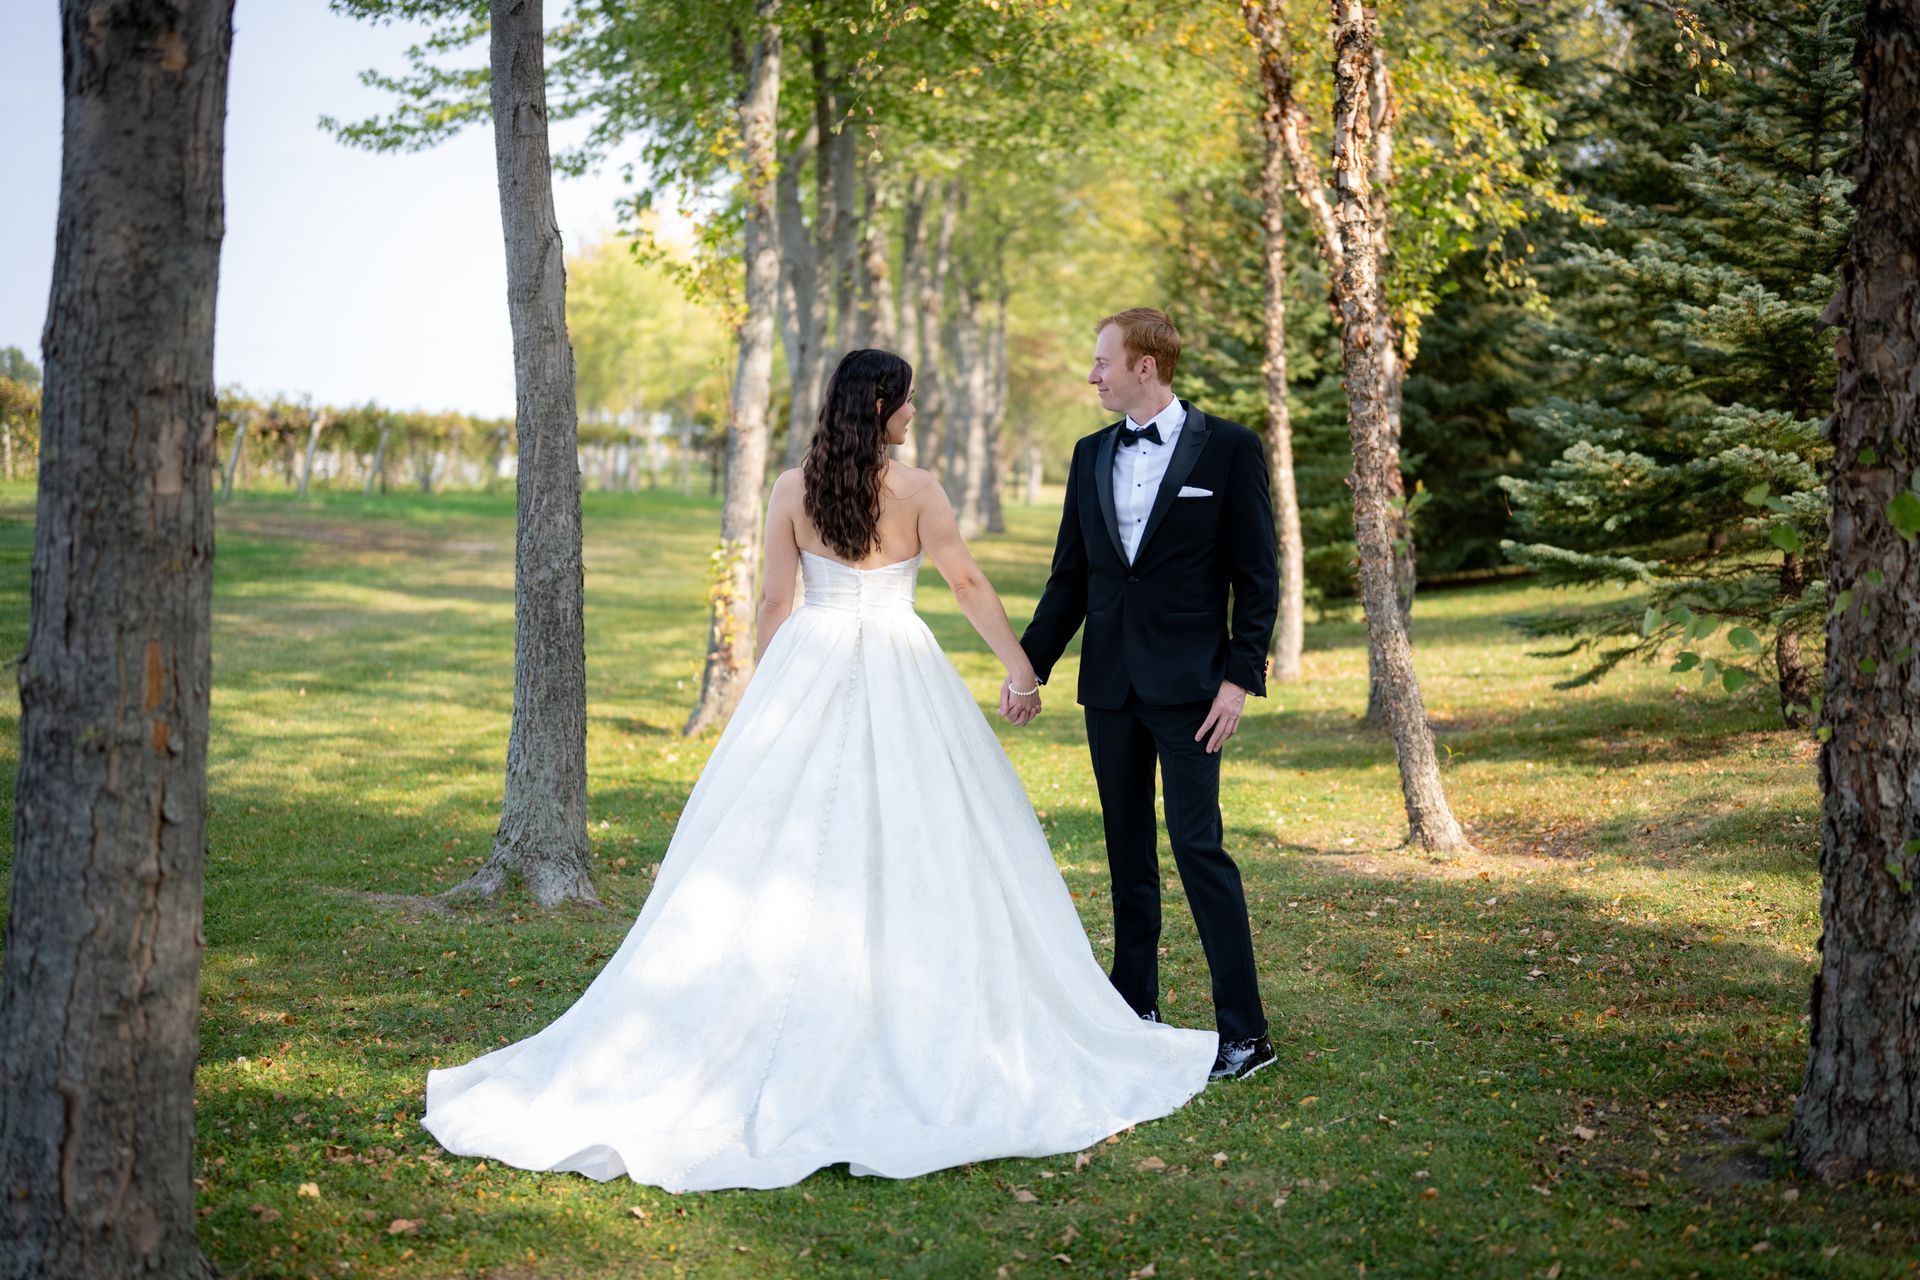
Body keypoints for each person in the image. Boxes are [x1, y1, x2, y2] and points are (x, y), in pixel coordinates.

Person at [420, 348, 1216, 1193]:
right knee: (923, 829)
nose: (915, 411)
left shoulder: (792, 489)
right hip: (899, 660)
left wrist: (769, 697)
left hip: (812, 657)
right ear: (883, 407)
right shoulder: (917, 491)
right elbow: (968, 582)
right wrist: (1019, 669)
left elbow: (773, 603)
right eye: (907, 400)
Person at [1008, 308, 1279, 1082]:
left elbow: (1257, 578)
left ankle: (1246, 1032)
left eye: (1102, 362)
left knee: (1198, 849)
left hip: (1194, 689)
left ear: (1146, 368)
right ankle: (1136, 1009)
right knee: (1127, 852)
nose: (1092, 375)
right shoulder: (1090, 454)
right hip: (1112, 688)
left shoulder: (1228, 449)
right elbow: (1072, 580)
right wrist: (1031, 668)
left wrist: (1238, 679)